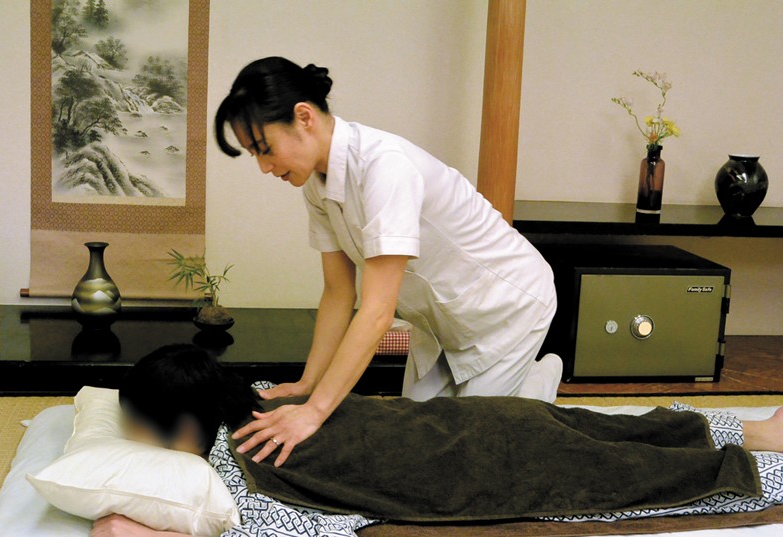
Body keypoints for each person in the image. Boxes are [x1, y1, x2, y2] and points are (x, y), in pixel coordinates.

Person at [214, 56, 563, 466]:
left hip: (506, 306)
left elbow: (377, 310)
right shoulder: (316, 185)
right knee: (411, 439)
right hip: (439, 320)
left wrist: (314, 412)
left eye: (265, 149)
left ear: (304, 117)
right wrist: (309, 384)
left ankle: (536, 386)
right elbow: (338, 292)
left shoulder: (385, 167)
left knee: (466, 454)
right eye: (253, 154)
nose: (263, 167)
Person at [91, 345, 783, 537]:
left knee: (634, 475)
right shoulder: (269, 394)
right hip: (489, 418)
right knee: (617, 430)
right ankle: (757, 428)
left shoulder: (247, 460)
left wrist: (144, 531)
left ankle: (762, 465)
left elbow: (299, 530)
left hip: (491, 460)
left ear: (182, 426)